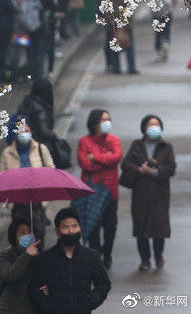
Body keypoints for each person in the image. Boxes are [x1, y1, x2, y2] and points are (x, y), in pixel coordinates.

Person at [29, 207, 111, 314]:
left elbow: (104, 284)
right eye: (65, 227)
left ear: (80, 228)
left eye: (74, 226)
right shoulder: (45, 259)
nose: (71, 231)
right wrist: (48, 306)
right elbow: (34, 288)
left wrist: (89, 303)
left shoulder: (91, 256)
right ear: (57, 232)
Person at [121, 115, 176, 271]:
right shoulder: (137, 145)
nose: (154, 127)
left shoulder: (166, 147)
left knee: (159, 227)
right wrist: (139, 170)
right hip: (140, 193)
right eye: (151, 124)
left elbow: (171, 169)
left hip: (160, 194)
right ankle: (144, 259)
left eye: (157, 124)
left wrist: (154, 171)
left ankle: (158, 255)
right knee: (141, 227)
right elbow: (126, 164)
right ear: (144, 128)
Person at [0, 115, 55, 246]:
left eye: (27, 131)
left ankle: (37, 258)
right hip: (18, 201)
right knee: (21, 236)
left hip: (37, 200)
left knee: (38, 234)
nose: (25, 134)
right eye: (21, 131)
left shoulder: (40, 148)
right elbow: (1, 177)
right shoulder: (7, 153)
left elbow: (51, 170)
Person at [77, 109, 123, 269]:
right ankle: (96, 255)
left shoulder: (114, 140)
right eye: (103, 119)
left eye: (108, 119)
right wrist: (105, 159)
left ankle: (107, 253)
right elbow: (85, 164)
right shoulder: (84, 141)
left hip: (110, 192)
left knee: (110, 225)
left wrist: (95, 157)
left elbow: (116, 158)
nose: (107, 122)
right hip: (91, 191)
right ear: (95, 123)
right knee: (93, 224)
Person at [0, 218, 40, 314]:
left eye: (29, 232)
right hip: (10, 308)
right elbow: (10, 276)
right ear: (14, 236)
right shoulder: (5, 256)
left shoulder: (38, 256)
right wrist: (27, 254)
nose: (27, 235)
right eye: (23, 232)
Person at [19, 78, 55, 147]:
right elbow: (44, 133)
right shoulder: (39, 110)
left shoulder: (27, 102)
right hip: (38, 145)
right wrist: (53, 134)